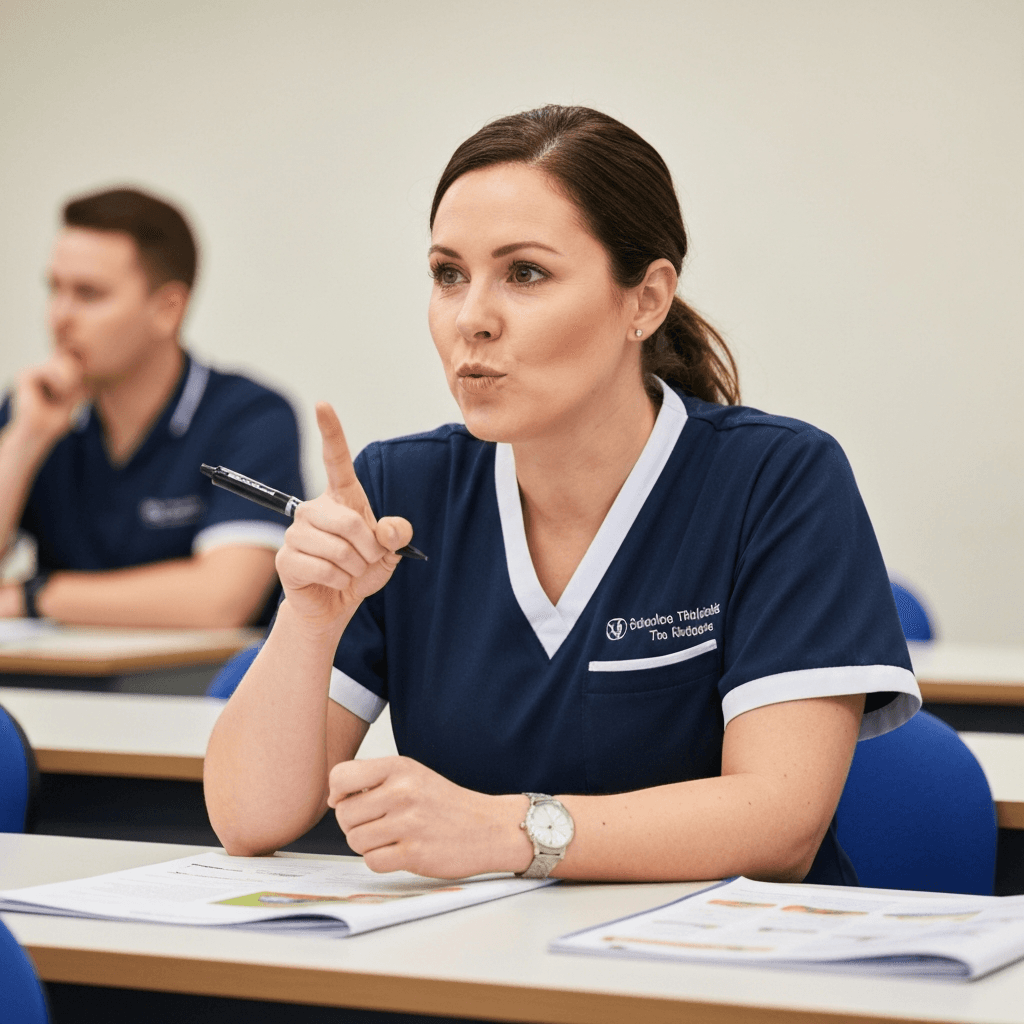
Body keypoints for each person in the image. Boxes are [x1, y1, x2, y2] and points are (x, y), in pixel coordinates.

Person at [205, 106, 921, 883]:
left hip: (728, 954)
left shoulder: (777, 480)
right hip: (484, 950)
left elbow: (779, 821)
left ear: (645, 300)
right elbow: (249, 819)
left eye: (525, 274)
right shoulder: (397, 494)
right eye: (448, 274)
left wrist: (513, 832)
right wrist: (309, 618)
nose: (472, 318)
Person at [0, 187, 303, 627]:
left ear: (167, 310)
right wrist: (24, 440)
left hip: (198, 674)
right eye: (54, 289)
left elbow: (222, 601)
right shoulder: (34, 409)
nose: (59, 317)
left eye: (88, 294)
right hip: (55, 669)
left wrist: (36, 595)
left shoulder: (251, 417)